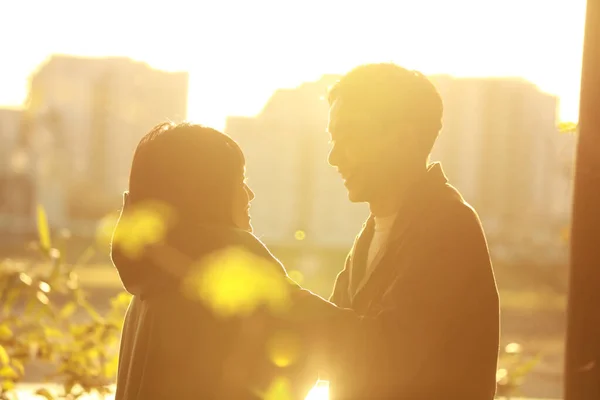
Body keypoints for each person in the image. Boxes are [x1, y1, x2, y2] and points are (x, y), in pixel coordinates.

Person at [294, 63, 500, 399]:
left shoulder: (448, 227)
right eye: (333, 137)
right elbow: (326, 354)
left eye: (349, 135)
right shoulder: (372, 234)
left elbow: (387, 355)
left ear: (405, 138)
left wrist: (289, 299)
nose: (333, 157)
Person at [111, 122, 315, 399]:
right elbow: (304, 348)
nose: (250, 195)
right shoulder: (235, 262)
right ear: (210, 190)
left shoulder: (148, 285)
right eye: (239, 181)